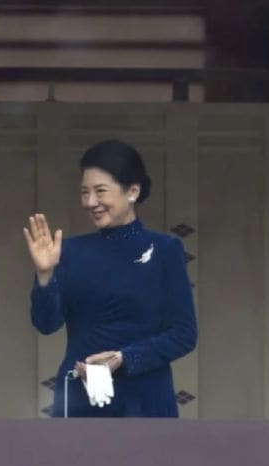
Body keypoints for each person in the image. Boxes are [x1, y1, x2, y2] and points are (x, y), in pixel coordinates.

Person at [23, 139, 197, 417]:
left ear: (133, 191)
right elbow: (46, 324)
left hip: (146, 398)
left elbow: (184, 334)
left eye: (100, 191)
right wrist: (45, 276)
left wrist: (124, 358)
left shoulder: (165, 249)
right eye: (84, 192)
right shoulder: (69, 251)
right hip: (80, 399)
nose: (90, 202)